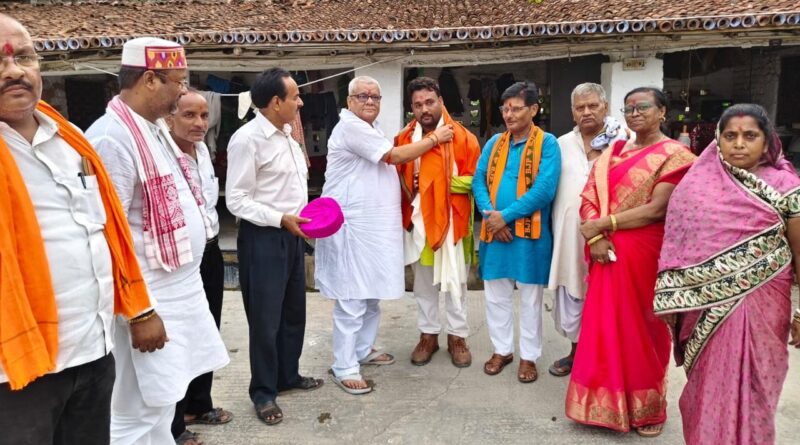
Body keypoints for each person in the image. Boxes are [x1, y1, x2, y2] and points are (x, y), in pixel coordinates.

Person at [0, 15, 164, 445]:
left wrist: (140, 309)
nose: (14, 71)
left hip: (93, 349)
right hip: (15, 372)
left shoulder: (71, 138)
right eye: (0, 62)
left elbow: (105, 231)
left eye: (25, 58)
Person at [86, 37, 229, 445]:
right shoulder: (111, 137)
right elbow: (105, 232)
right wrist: (139, 313)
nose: (182, 92)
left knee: (164, 404)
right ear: (150, 79)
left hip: (177, 291)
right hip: (148, 300)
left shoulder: (152, 129)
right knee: (135, 413)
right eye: (177, 82)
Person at [655, 103, 800, 445]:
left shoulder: (787, 187)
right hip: (702, 310)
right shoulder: (696, 186)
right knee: (709, 389)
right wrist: (674, 298)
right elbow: (677, 243)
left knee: (755, 390)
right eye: (730, 135)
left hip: (764, 305)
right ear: (718, 140)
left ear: (767, 142)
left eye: (750, 136)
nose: (739, 144)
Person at [565, 87, 695, 437]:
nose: (635, 113)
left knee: (643, 328)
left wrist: (604, 224)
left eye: (643, 107)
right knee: (603, 326)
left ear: (663, 112)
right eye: (629, 109)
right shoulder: (613, 152)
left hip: (644, 254)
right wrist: (595, 238)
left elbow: (657, 208)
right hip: (604, 252)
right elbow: (589, 196)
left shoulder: (675, 155)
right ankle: (601, 405)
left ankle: (647, 408)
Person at [315, 75, 454, 394]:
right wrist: (436, 138)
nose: (369, 101)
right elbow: (394, 156)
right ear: (349, 101)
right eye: (362, 96)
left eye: (375, 97)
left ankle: (363, 350)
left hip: (373, 229)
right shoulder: (351, 127)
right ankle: (344, 365)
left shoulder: (372, 128)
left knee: (370, 295)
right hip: (351, 229)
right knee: (352, 298)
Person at [226, 68, 323, 426]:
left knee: (293, 312)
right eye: (295, 96)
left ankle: (288, 375)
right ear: (275, 102)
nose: (300, 102)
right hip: (263, 238)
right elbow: (236, 200)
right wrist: (279, 218)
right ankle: (264, 392)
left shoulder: (287, 136)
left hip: (292, 235)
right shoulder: (247, 140)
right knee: (265, 320)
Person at [472, 81, 561, 383]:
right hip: (494, 234)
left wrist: (504, 218)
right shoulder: (494, 143)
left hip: (530, 236)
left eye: (516, 108)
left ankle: (529, 356)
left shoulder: (547, 143)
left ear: (534, 109)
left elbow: (544, 190)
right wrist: (490, 217)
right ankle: (502, 350)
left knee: (530, 300)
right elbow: (478, 180)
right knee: (495, 296)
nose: (508, 115)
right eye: (505, 108)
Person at [395, 77, 480, 368]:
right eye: (417, 104)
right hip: (419, 222)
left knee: (456, 282)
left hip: (454, 221)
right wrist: (418, 185)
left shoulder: (464, 138)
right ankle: (428, 335)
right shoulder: (404, 139)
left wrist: (439, 183)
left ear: (441, 101)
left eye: (429, 102)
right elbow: (397, 178)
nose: (424, 109)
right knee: (423, 284)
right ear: (412, 108)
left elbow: (476, 181)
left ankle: (457, 337)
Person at [547, 83, 627, 377]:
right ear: (572, 112)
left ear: (605, 107)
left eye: (593, 106)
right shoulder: (560, 144)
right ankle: (576, 351)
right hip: (569, 236)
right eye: (580, 107)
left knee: (608, 295)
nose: (587, 112)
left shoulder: (623, 142)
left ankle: (606, 358)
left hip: (612, 234)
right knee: (573, 292)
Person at [167, 90, 232, 440]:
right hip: (179, 259)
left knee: (207, 328)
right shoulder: (162, 156)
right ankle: (175, 423)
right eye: (189, 115)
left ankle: (199, 404)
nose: (199, 123)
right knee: (179, 337)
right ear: (169, 117)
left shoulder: (203, 151)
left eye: (204, 116)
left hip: (210, 249)